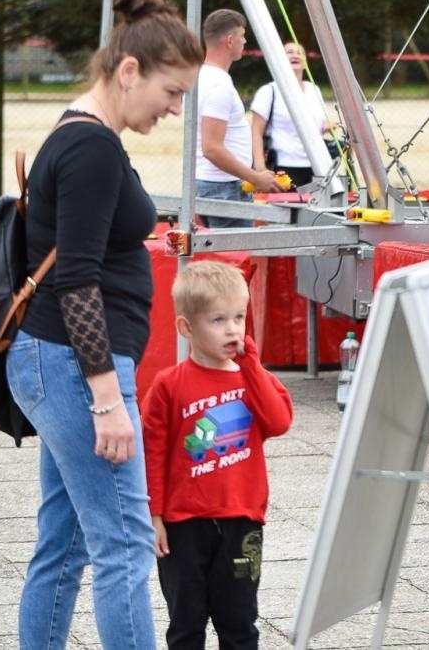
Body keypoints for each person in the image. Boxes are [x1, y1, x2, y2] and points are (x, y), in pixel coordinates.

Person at [6, 0, 204, 650]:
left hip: (59, 360)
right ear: (129, 71)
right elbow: (77, 279)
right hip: (75, 364)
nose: (174, 109)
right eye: (171, 92)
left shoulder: (83, 137)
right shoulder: (90, 148)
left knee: (64, 546)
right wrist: (106, 400)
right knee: (124, 543)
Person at [142, 261, 294, 650]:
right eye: (218, 319)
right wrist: (154, 515)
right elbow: (152, 452)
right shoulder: (168, 385)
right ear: (186, 328)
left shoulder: (254, 378)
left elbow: (278, 422)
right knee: (186, 624)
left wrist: (251, 366)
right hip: (182, 525)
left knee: (239, 624)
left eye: (239, 317)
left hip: (241, 520)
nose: (232, 329)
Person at [196, 10, 281, 229]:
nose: (245, 41)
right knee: (235, 250)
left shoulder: (202, 77)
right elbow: (211, 148)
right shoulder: (219, 85)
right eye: (242, 36)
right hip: (223, 188)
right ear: (230, 40)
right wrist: (255, 177)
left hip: (215, 185)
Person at [249, 41, 335, 188]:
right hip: (283, 167)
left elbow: (313, 127)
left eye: (299, 52)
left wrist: (325, 127)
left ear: (305, 62)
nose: (295, 55)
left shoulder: (314, 90)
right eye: (289, 52)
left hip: (317, 167)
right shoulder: (269, 91)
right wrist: (260, 168)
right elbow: (256, 132)